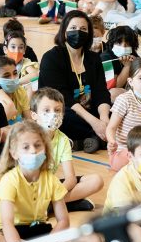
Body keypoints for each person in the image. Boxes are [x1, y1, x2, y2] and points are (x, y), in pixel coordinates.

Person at [0, 120, 103, 242]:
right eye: (26, 147)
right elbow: (7, 223)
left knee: (94, 241)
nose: (33, 151)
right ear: (14, 152)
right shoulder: (9, 181)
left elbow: (63, 220)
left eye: (37, 145)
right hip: (10, 237)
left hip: (41, 234)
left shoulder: (50, 179)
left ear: (45, 148)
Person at [38, 11, 111, 153]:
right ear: (64, 32)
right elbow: (63, 98)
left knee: (117, 110)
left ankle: (87, 140)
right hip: (63, 110)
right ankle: (96, 137)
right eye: (73, 28)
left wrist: (104, 118)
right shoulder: (52, 58)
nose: (78, 32)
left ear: (89, 33)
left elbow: (101, 91)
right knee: (61, 117)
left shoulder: (94, 58)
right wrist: (95, 122)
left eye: (83, 29)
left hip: (89, 111)